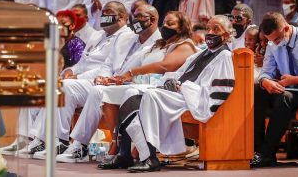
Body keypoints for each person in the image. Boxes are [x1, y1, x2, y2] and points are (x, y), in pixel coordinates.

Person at [56, 10, 197, 163]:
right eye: (165, 23)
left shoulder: (185, 45)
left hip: (161, 89)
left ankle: (123, 148)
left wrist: (130, 74)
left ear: (182, 27)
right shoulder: (158, 45)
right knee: (101, 91)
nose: (165, 27)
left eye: (170, 24)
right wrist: (115, 79)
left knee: (115, 92)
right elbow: (132, 64)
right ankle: (103, 145)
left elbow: (164, 66)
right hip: (140, 83)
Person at [99, 15, 235, 172]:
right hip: (179, 94)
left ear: (226, 35)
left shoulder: (224, 56)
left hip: (193, 100)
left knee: (150, 96)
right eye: (209, 28)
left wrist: (182, 87)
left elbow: (219, 90)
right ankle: (127, 154)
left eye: (216, 29)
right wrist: (169, 83)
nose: (210, 32)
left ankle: (147, 157)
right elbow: (178, 74)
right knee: (131, 92)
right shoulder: (200, 54)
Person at [29, 4, 161, 160]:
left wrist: (110, 79)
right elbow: (107, 64)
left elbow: (148, 71)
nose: (135, 19)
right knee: (53, 86)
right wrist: (103, 77)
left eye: (139, 16)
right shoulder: (126, 38)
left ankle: (79, 145)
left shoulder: (158, 42)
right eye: (134, 15)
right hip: (108, 81)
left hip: (130, 84)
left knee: (90, 90)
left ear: (152, 20)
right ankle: (47, 140)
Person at [253, 12, 298, 167]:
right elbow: (266, 71)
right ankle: (258, 150)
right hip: (290, 88)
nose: (275, 43)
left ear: (286, 28)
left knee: (284, 97)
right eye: (271, 40)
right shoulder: (273, 43)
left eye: (278, 38)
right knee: (257, 92)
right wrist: (265, 81)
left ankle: (266, 152)